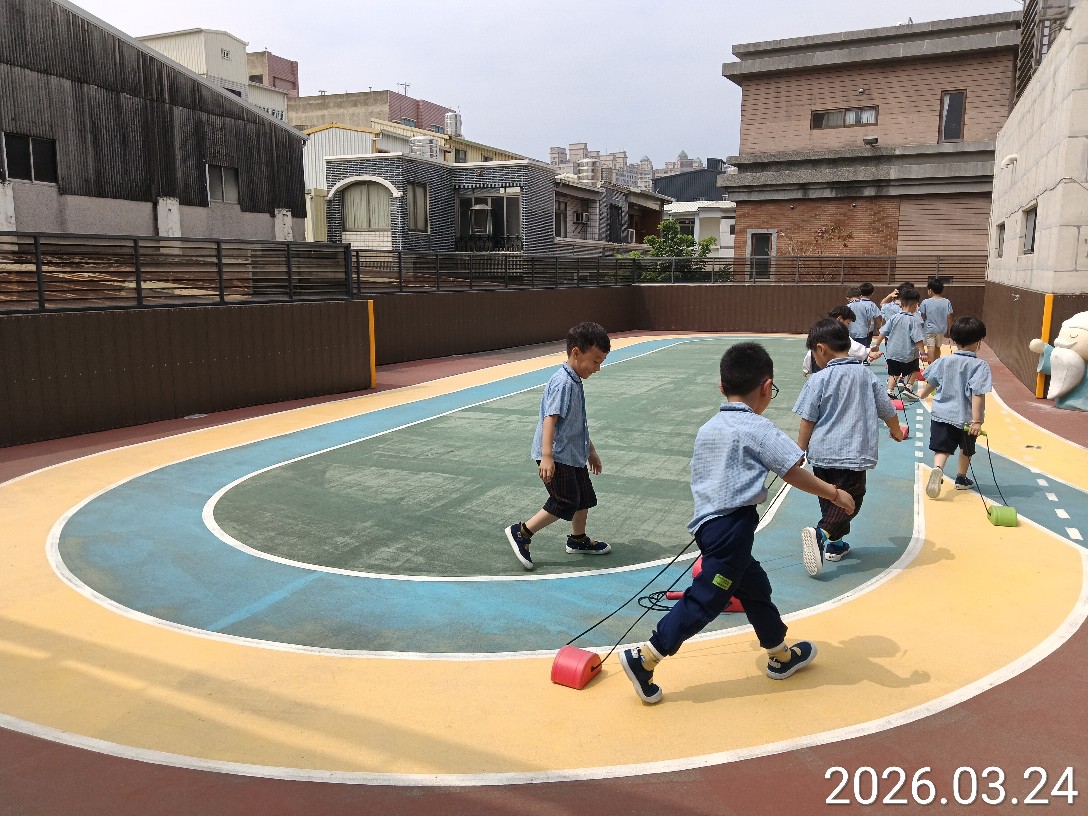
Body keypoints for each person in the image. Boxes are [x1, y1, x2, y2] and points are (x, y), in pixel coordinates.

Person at [620, 342, 855, 705]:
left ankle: (780, 655)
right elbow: (792, 471)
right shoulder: (757, 428)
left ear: (722, 386)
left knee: (755, 588)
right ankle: (646, 657)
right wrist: (835, 494)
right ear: (766, 387)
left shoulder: (709, 427)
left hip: (709, 527)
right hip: (731, 528)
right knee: (707, 598)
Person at [794, 319, 904, 576]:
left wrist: (800, 450)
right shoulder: (866, 376)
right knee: (851, 500)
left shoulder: (818, 379)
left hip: (822, 454)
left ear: (821, 349)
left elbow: (807, 419)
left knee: (829, 497)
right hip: (853, 454)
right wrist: (896, 431)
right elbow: (886, 409)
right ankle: (821, 534)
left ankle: (835, 544)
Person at [505, 322, 612, 570]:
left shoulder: (575, 380)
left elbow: (577, 423)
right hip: (557, 455)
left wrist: (590, 450)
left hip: (573, 454)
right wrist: (547, 456)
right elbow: (549, 419)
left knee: (583, 498)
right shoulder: (563, 383)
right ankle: (522, 532)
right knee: (565, 500)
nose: (598, 368)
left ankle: (577, 540)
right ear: (576, 352)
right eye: (595, 361)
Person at [917, 316, 992, 498]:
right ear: (979, 341)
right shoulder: (980, 366)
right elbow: (977, 394)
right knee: (966, 449)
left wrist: (922, 395)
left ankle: (937, 468)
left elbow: (932, 382)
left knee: (942, 448)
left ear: (954, 340)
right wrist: (976, 421)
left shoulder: (944, 361)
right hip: (966, 419)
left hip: (942, 414)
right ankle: (961, 478)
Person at [874, 287, 926, 398]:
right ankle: (909, 387)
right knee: (914, 370)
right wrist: (922, 352)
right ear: (916, 306)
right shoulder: (914, 320)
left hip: (892, 353)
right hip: (908, 354)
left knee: (894, 373)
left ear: (901, 304)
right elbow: (918, 338)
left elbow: (883, 332)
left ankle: (889, 391)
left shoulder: (894, 318)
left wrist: (876, 345)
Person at [801, 305, 871, 376]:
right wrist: (868, 352)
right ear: (840, 319)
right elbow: (854, 348)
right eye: (848, 323)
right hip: (833, 372)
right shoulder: (839, 334)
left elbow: (811, 352)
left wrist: (806, 368)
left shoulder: (820, 330)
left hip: (818, 370)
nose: (848, 327)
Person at [919, 279, 954, 362]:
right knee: (938, 347)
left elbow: (922, 316)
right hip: (941, 329)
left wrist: (920, 327)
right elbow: (949, 317)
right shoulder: (947, 302)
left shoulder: (925, 302)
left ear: (930, 290)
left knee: (930, 347)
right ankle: (937, 363)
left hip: (929, 329)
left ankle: (931, 364)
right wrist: (950, 330)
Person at [850, 282, 882, 353]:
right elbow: (876, 317)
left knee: (853, 347)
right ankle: (865, 357)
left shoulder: (854, 304)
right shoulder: (871, 305)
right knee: (866, 347)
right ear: (872, 293)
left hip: (853, 329)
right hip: (867, 330)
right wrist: (880, 327)